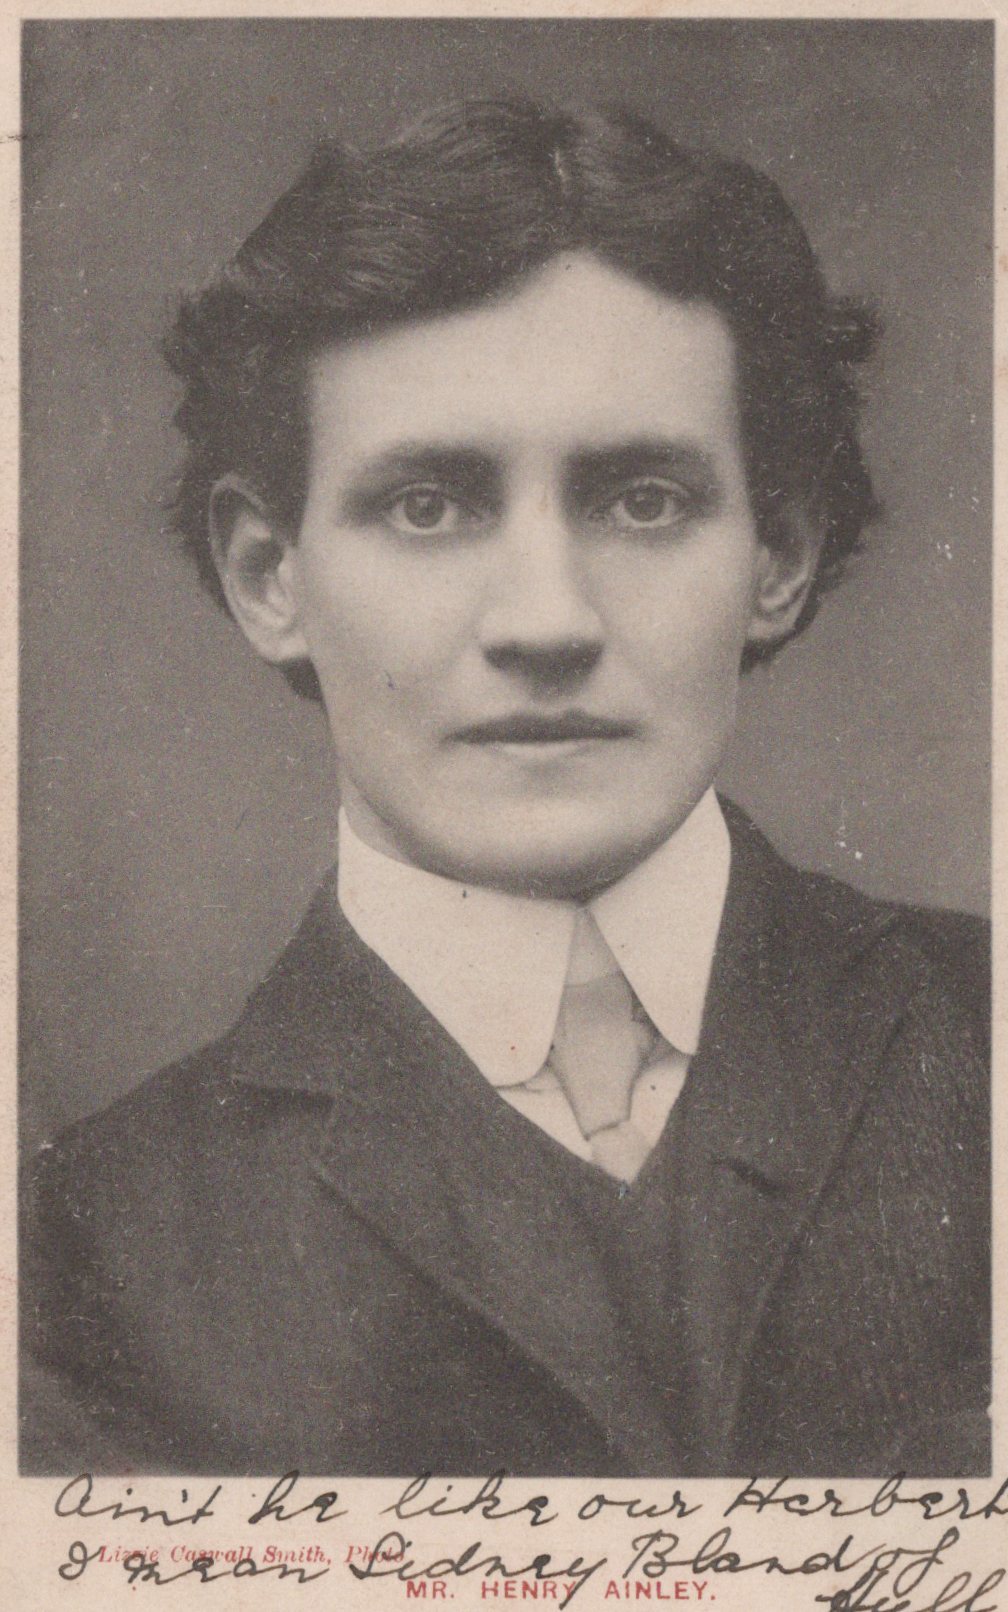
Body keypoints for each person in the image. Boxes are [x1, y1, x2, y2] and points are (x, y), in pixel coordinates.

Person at [21, 98, 990, 1477]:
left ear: (775, 555)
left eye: (642, 500)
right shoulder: (86, 1251)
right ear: (268, 577)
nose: (546, 620)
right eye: (430, 505)